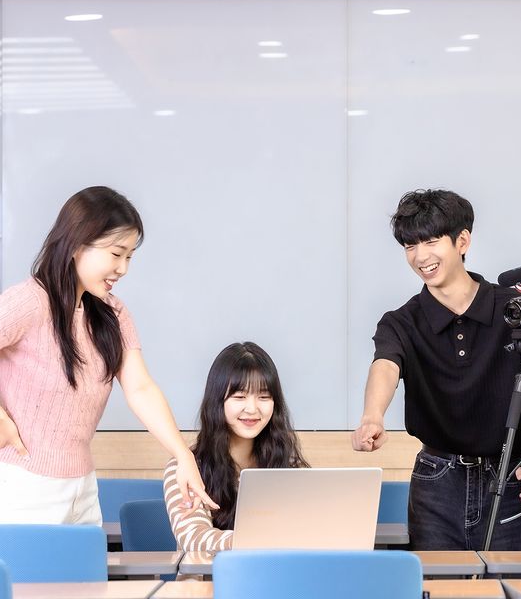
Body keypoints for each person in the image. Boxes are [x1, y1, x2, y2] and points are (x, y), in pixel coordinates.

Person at [0, 186, 215, 524]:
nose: (123, 268)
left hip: (83, 489)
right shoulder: (30, 302)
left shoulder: (112, 314)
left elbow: (140, 388)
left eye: (129, 256)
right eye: (116, 254)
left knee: (88, 564)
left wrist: (182, 454)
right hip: (24, 486)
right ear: (76, 244)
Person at [352, 188, 521, 551]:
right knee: (435, 580)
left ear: (462, 241)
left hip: (507, 475)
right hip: (436, 480)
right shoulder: (401, 321)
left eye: (430, 241)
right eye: (410, 246)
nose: (420, 256)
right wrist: (371, 416)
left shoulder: (515, 309)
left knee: (507, 580)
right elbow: (385, 364)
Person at [164, 341, 308, 551]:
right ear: (217, 401)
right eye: (239, 397)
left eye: (264, 397)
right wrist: (267, 540)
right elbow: (194, 539)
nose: (252, 409)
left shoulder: (287, 463)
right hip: (210, 572)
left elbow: (307, 529)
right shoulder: (185, 468)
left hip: (272, 571)